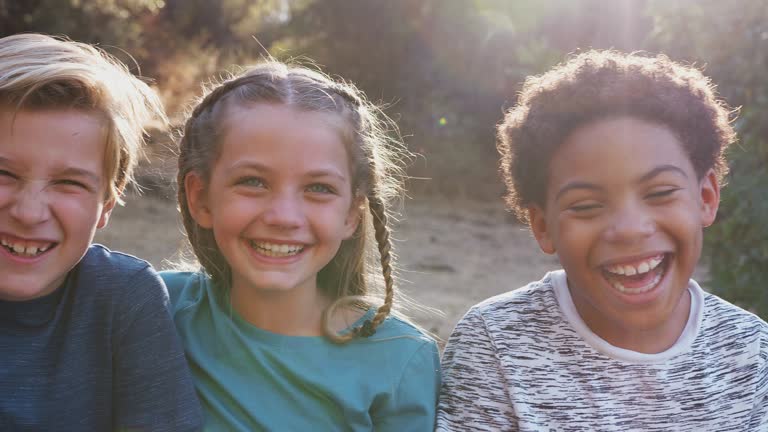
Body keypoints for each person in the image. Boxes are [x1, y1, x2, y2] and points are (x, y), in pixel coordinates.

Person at [437, 50, 768, 431]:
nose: (629, 228)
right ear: (542, 226)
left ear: (706, 198)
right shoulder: (496, 345)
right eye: (587, 205)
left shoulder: (750, 352)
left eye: (660, 193)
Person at [162, 61, 440, 431]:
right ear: (200, 199)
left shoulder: (401, 359)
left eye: (319, 188)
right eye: (253, 182)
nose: (284, 217)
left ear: (352, 214)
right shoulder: (157, 308)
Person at [0, 33, 203, 431]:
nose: (28, 211)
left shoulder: (123, 298)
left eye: (69, 183)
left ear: (107, 204)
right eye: (3, 174)